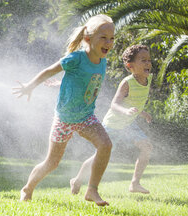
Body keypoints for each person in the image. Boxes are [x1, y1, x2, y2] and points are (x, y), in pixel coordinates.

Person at [13, 14, 115, 206]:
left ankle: (92, 190)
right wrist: (30, 86)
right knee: (51, 163)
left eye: (112, 38)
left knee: (106, 145)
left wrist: (61, 84)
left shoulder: (103, 61)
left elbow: (83, 81)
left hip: (86, 117)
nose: (108, 42)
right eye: (103, 37)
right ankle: (27, 188)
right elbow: (49, 70)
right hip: (64, 119)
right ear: (88, 38)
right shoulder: (76, 58)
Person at [70, 44, 153, 195]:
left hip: (128, 123)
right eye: (143, 60)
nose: (148, 63)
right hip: (113, 125)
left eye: (149, 60)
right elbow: (114, 104)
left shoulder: (148, 79)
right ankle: (77, 179)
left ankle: (135, 183)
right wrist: (126, 111)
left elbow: (135, 102)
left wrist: (143, 113)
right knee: (100, 156)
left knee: (147, 147)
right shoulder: (127, 82)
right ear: (130, 66)